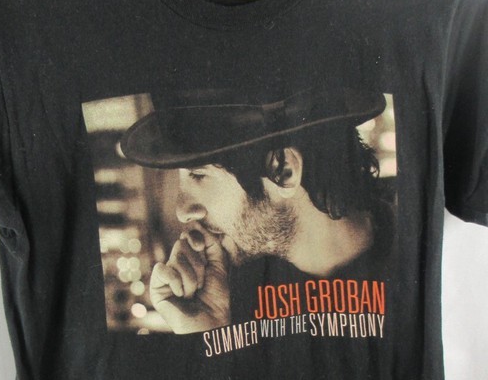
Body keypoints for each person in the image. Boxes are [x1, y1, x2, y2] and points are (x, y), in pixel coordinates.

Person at [119, 86, 394, 334]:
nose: (182, 211)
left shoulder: (413, 271)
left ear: (283, 170)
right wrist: (210, 334)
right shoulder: (228, 299)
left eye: (198, 175)